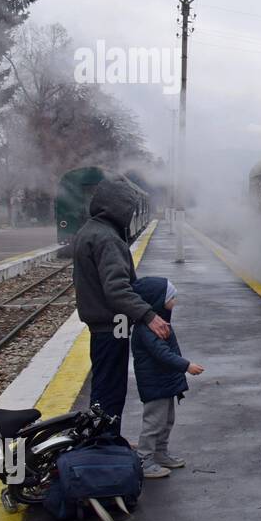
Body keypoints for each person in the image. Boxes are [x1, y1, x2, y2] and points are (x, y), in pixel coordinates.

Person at [72, 179, 168, 428]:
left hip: (101, 324)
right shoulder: (108, 239)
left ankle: (106, 439)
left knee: (104, 386)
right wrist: (148, 315)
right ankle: (105, 443)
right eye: (129, 208)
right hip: (112, 324)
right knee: (111, 390)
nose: (131, 213)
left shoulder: (89, 231)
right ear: (119, 208)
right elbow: (116, 289)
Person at [131, 276, 204, 479]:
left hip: (164, 382)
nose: (176, 300)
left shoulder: (159, 323)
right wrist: (186, 366)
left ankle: (160, 453)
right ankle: (144, 460)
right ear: (157, 301)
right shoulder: (147, 329)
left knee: (166, 420)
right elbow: (162, 354)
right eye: (171, 297)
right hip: (155, 384)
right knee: (153, 423)